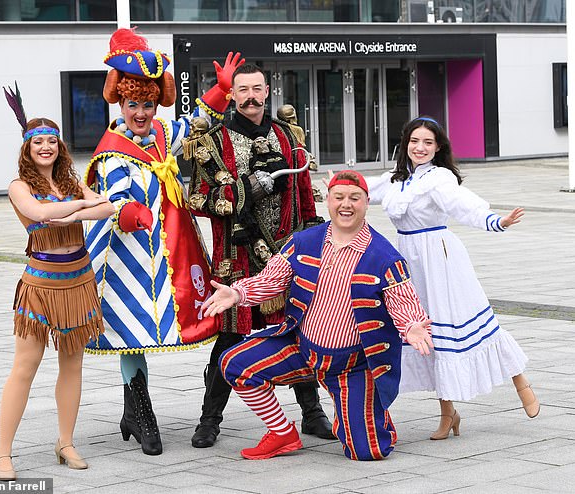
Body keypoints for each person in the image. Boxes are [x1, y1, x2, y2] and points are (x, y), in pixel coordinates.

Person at [83, 28, 244, 455]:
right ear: (121, 102)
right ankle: (139, 411)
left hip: (167, 252)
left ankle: (133, 411)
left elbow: (193, 123)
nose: (141, 112)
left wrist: (220, 92)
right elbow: (110, 197)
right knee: (128, 332)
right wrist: (124, 210)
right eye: (134, 104)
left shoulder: (159, 135)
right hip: (126, 257)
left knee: (156, 326)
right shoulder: (112, 150)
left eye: (148, 104)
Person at [202, 170, 434, 461]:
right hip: (303, 350)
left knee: (367, 452)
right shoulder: (304, 242)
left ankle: (369, 416)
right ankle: (282, 433)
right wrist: (237, 293)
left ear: (367, 201)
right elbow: (271, 279)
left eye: (354, 198)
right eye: (339, 197)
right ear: (328, 200)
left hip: (353, 364)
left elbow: (404, 300)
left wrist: (411, 325)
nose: (345, 204)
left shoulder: (384, 256)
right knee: (234, 363)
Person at [187, 63, 333, 449]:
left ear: (267, 91)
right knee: (230, 337)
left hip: (287, 254)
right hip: (236, 257)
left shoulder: (288, 136)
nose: (250, 97)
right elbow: (199, 199)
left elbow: (304, 194)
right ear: (232, 95)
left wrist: (313, 239)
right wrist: (247, 187)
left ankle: (312, 413)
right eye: (242, 90)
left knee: (297, 330)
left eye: (257, 89)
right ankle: (209, 420)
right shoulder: (214, 142)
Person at [367, 116, 539, 440]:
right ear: (405, 143)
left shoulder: (440, 178)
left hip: (441, 258)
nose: (420, 148)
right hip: (409, 259)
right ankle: (449, 414)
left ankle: (521, 382)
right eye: (415, 141)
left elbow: (464, 206)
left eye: (428, 142)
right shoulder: (396, 179)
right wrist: (334, 186)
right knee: (429, 333)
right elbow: (361, 190)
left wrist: (495, 220)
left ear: (438, 147)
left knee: (471, 321)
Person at [0, 93, 115, 481]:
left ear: (59, 146)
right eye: (37, 142)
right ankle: (2, 453)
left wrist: (75, 207)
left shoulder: (70, 181)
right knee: (25, 367)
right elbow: (40, 213)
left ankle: (65, 442)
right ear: (27, 149)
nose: (45, 147)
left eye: (51, 141)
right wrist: (76, 208)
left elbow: (107, 207)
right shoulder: (18, 186)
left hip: (79, 281)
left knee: (73, 363)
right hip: (41, 285)